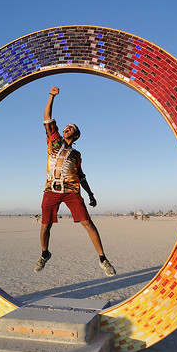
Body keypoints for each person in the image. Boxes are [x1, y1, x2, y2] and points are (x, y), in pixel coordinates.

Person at [34, 86, 116, 276]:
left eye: (71, 127)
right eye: (65, 127)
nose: (66, 128)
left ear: (76, 135)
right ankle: (45, 254)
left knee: (88, 223)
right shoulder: (54, 141)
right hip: (51, 190)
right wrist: (51, 96)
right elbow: (47, 116)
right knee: (45, 225)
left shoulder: (77, 154)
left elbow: (81, 175)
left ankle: (103, 259)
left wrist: (91, 194)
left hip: (71, 190)